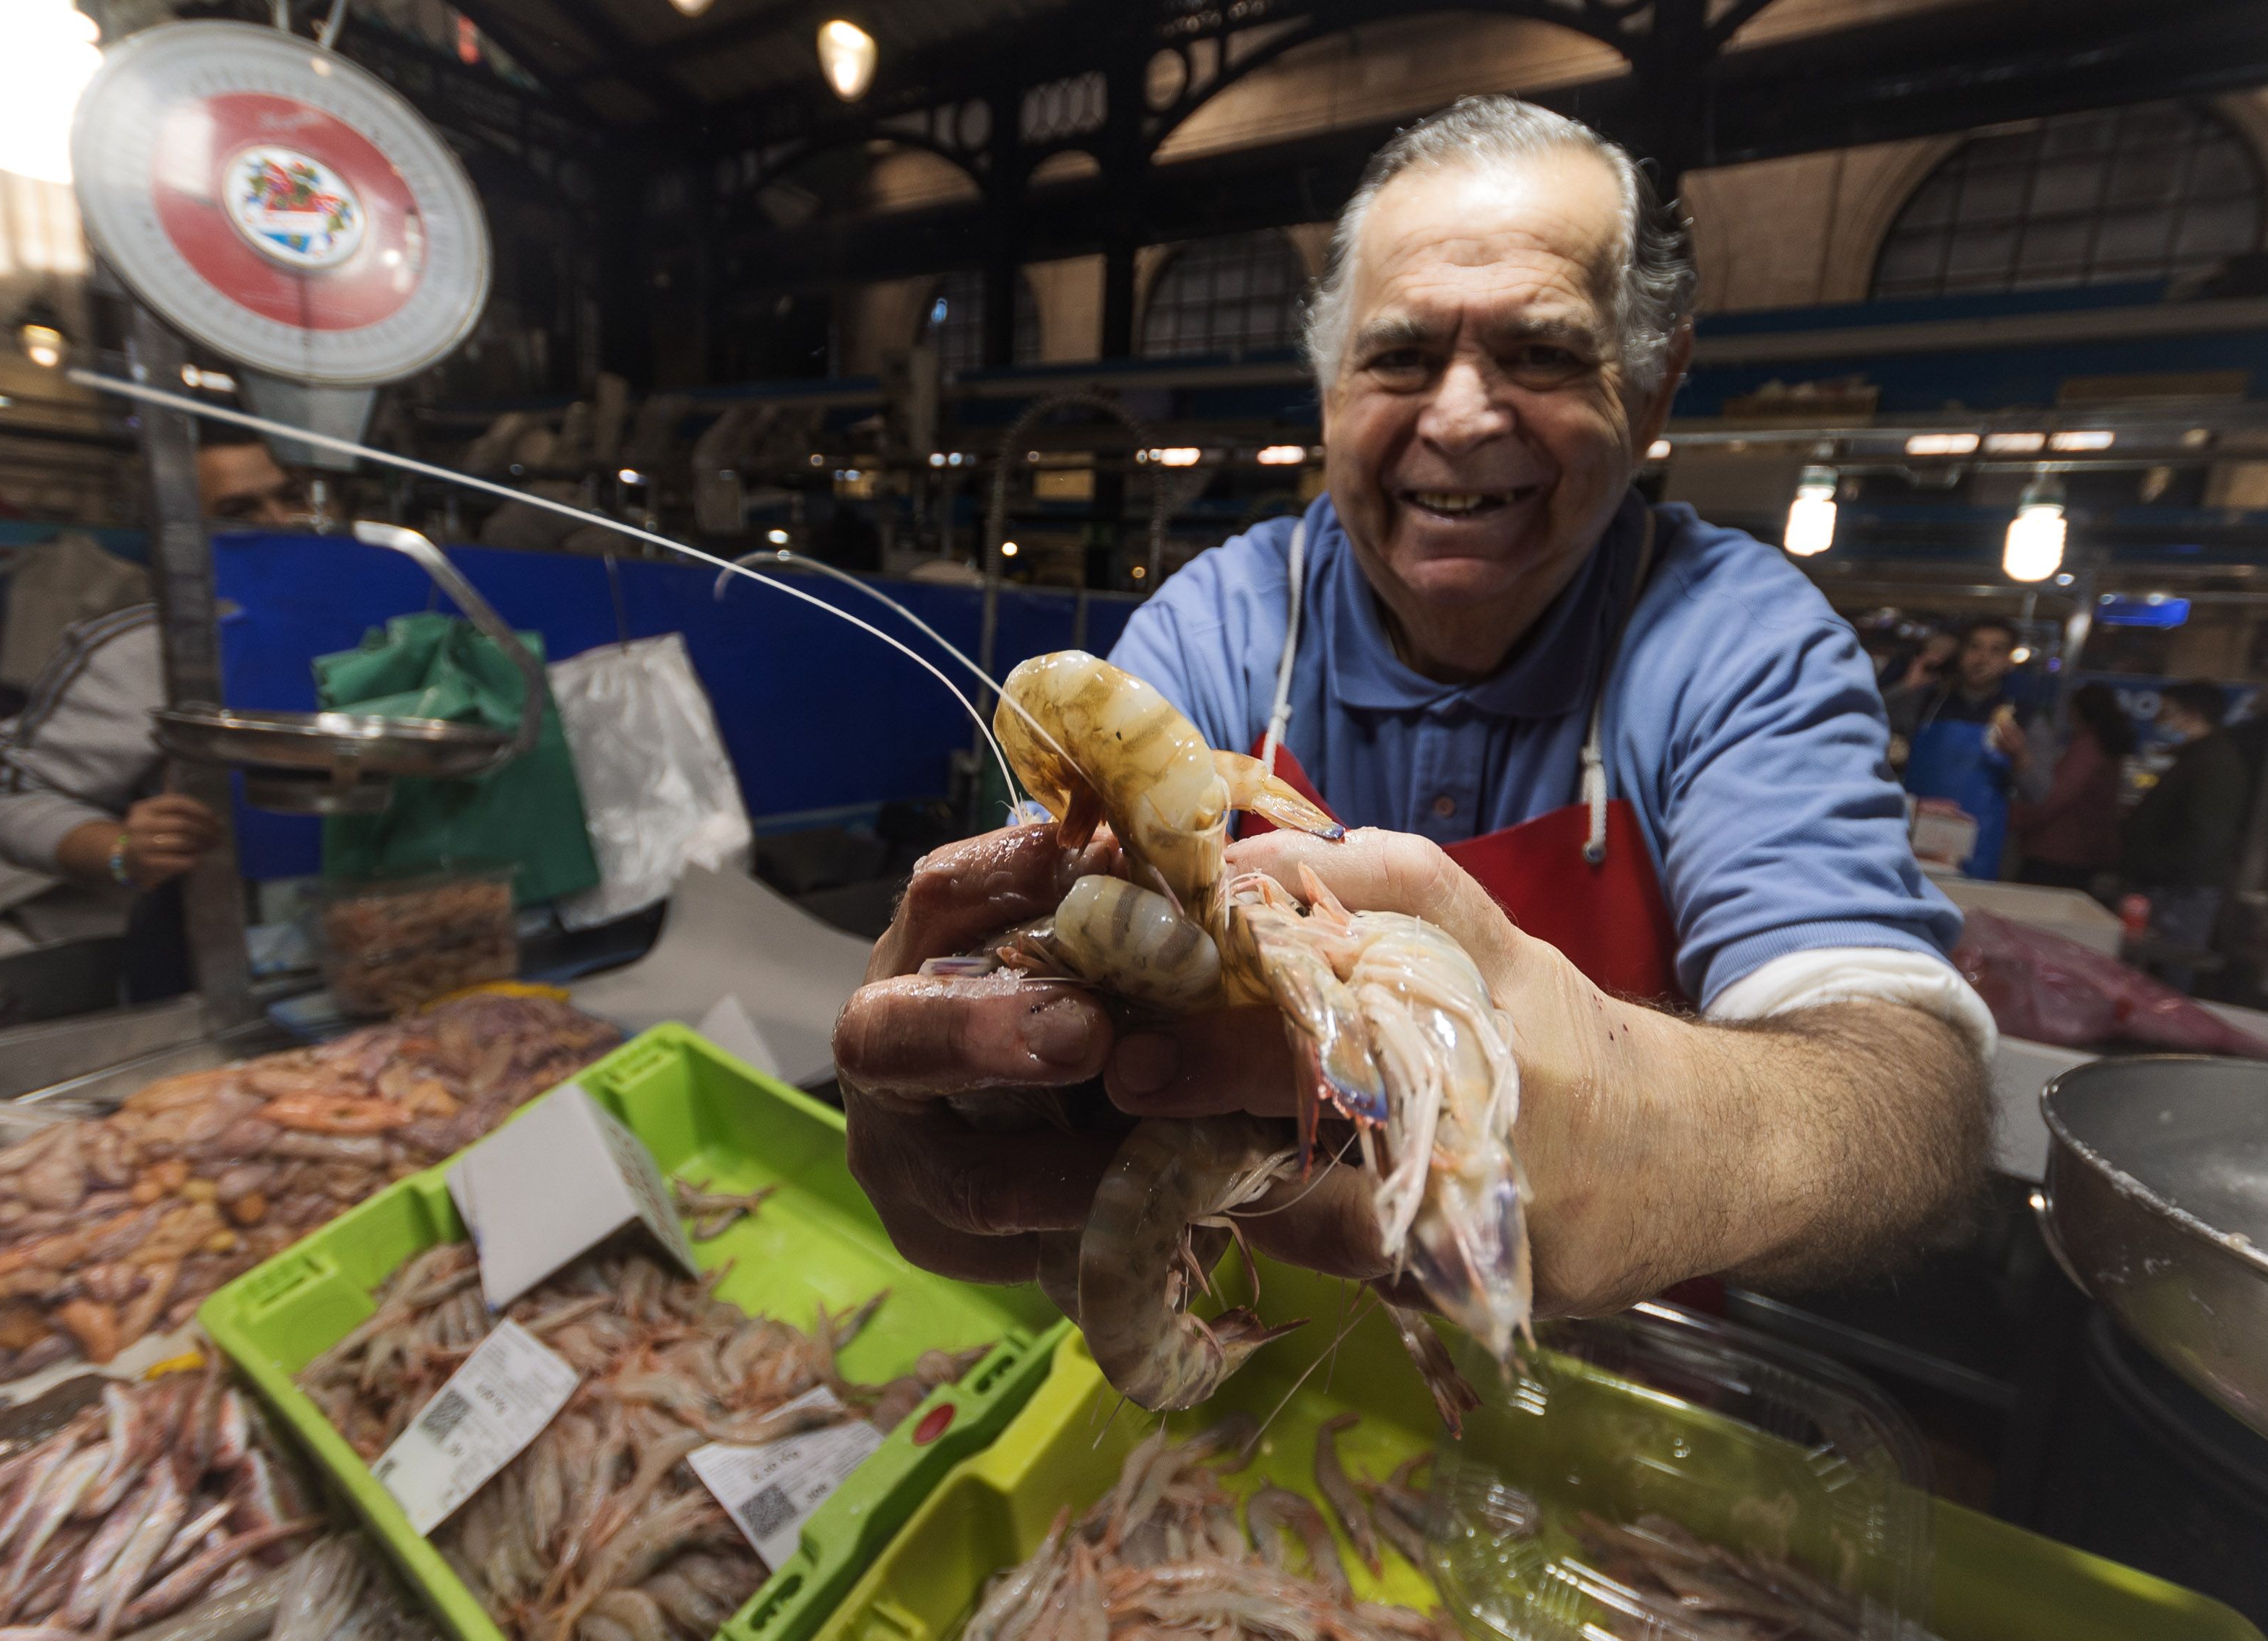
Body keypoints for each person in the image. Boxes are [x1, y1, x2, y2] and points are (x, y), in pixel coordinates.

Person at [831, 96, 1991, 1322]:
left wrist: (1624, 1124)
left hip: (1617, 1359)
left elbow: (1907, 1090)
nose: (1457, 415)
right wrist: (983, 1084)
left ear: (1653, 395)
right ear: (1328, 391)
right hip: (1252, 1316)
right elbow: (1054, 924)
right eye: (1396, 356)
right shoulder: (1214, 626)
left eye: (1540, 352)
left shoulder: (1740, 643)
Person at [0, 427, 306, 996]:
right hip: (222, 972)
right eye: (239, 509)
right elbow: (6, 797)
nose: (280, 521)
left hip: (408, 939)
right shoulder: (144, 649)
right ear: (181, 533)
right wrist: (121, 850)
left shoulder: (399, 624)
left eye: (292, 497)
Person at [2121, 680, 2251, 977]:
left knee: (2170, 973)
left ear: (2191, 715)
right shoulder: (2198, 758)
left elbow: (2207, 837)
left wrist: (2153, 866)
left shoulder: (2216, 764)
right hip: (2171, 886)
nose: (2159, 721)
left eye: (2166, 712)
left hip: (2181, 893)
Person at [1887, 615, 2027, 878]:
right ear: (1960, 655)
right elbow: (1864, 724)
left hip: (1981, 848)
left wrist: (2021, 757)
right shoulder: (1925, 703)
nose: (1983, 658)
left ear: (2009, 662)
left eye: (1996, 650)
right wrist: (1907, 686)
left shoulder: (2023, 717)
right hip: (1915, 837)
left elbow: (2040, 791)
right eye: (1974, 647)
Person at [2009, 682, 2131, 891]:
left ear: (2077, 711)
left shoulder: (2088, 749)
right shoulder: (2107, 747)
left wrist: (2011, 816)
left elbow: (2055, 798)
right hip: (2080, 852)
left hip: (2058, 854)